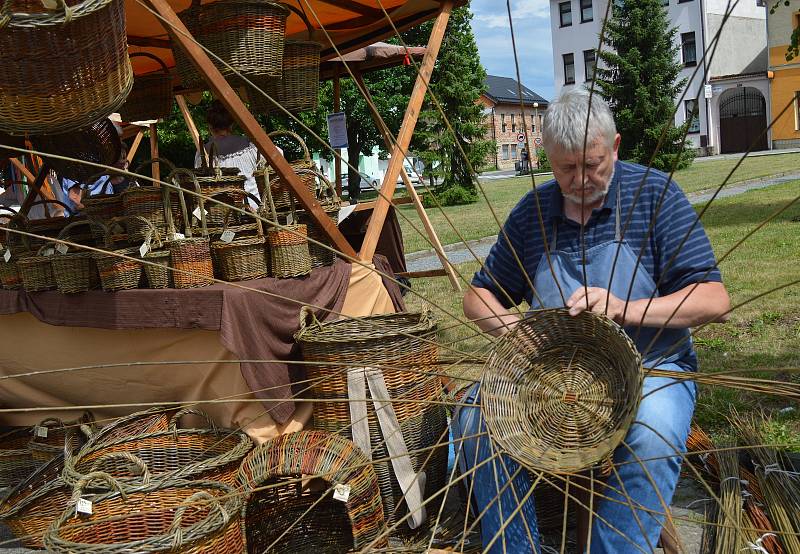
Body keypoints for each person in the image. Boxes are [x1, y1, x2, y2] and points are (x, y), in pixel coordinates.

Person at [454, 88, 731, 553]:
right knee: (476, 423)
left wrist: (624, 308)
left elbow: (714, 299)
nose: (581, 178)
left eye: (594, 164)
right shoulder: (532, 216)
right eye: (566, 168)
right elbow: (477, 297)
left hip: (651, 368)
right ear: (548, 157)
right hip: (549, 378)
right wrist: (517, 335)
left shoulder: (654, 197)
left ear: (615, 146)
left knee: (652, 434)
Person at [195, 100, 264, 203]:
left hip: (219, 211)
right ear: (231, 125)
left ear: (210, 127)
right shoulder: (250, 146)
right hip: (254, 207)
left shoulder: (202, 153)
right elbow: (278, 155)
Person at [60, 142, 130, 215]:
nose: (122, 161)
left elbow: (108, 204)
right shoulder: (75, 172)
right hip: (77, 220)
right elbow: (77, 202)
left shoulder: (105, 179)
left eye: (124, 157)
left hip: (99, 221)